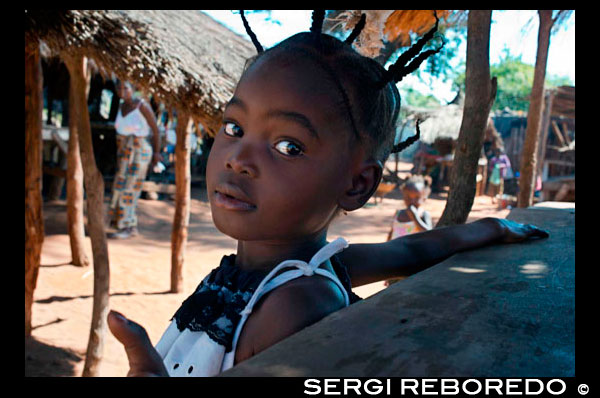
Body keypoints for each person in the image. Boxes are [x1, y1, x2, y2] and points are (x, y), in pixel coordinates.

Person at [107, 11, 548, 377]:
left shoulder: (296, 305)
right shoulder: (304, 270)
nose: (237, 158)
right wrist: (489, 229)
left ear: (356, 184)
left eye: (288, 146)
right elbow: (413, 250)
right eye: (234, 127)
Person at [107, 81, 162, 239]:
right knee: (119, 185)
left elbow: (156, 130)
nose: (122, 91)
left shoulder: (142, 106)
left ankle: (129, 226)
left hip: (139, 152)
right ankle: (119, 222)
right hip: (124, 152)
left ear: (133, 89)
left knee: (130, 188)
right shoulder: (121, 106)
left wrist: (157, 153)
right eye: (119, 88)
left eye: (126, 88)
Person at [384, 175, 433, 287]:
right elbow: (391, 234)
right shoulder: (398, 213)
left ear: (424, 198)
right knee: (392, 290)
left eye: (416, 198)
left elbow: (429, 234)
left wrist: (415, 218)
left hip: (413, 262)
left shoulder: (423, 215)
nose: (412, 201)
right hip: (394, 261)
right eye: (408, 198)